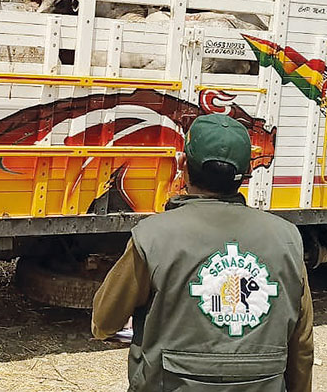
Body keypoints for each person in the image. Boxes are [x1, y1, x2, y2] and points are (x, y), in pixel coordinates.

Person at [92, 114, 313, 391]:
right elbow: (302, 345)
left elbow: (103, 321)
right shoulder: (288, 239)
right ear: (248, 172)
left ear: (182, 164)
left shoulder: (153, 236)